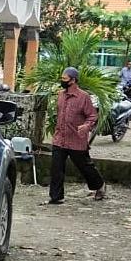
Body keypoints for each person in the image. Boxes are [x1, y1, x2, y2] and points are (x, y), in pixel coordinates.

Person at [47, 67, 106, 204]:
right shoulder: (60, 95)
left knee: (85, 166)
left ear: (73, 80)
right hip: (60, 138)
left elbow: (92, 115)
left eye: (65, 79)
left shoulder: (83, 97)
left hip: (76, 139)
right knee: (56, 169)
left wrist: (86, 126)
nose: (62, 81)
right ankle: (56, 197)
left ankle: (99, 185)